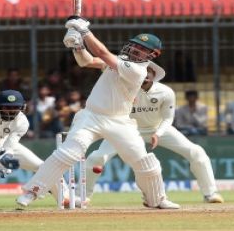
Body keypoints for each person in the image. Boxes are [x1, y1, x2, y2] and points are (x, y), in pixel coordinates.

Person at [16, 16, 180, 209]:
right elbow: (86, 62)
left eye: (143, 49)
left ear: (152, 55)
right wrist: (78, 47)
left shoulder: (138, 71)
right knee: (68, 153)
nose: (136, 49)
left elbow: (102, 52)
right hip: (91, 117)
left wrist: (84, 31)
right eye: (135, 45)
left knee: (144, 162)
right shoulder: (118, 62)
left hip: (119, 122)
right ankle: (32, 191)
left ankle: (157, 200)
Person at [80, 63, 223, 204]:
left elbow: (168, 118)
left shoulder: (165, 92)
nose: (146, 74)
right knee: (96, 157)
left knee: (196, 152)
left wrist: (158, 134)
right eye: (142, 70)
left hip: (158, 128)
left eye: (149, 71)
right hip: (126, 130)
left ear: (154, 75)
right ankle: (83, 196)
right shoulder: (122, 89)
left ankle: (210, 193)